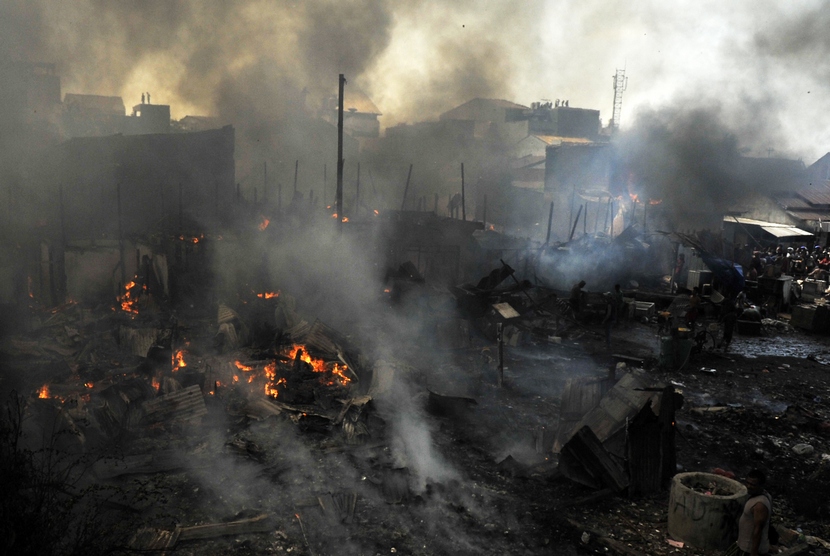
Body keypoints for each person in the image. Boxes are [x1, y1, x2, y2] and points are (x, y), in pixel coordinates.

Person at [724, 469, 772, 556]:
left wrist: (753, 553)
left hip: (749, 550)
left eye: (753, 485)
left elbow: (758, 530)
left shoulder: (760, 505)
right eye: (748, 483)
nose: (749, 486)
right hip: (744, 546)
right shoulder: (760, 496)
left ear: (761, 486)